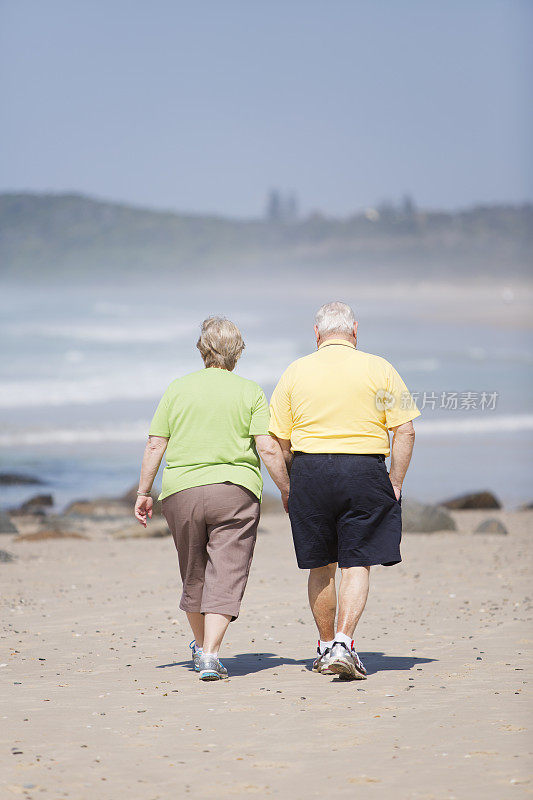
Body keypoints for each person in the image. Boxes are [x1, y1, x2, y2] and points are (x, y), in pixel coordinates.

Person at [269, 301, 420, 680]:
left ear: (317, 334)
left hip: (310, 469)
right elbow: (405, 430)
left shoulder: (295, 371)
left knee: (321, 564)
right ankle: (343, 642)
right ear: (354, 329)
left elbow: (276, 443)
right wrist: (395, 481)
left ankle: (324, 647)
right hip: (364, 468)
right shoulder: (379, 367)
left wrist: (289, 487)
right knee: (357, 561)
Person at [134, 316, 290, 681]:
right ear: (238, 352)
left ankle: (202, 647)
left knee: (194, 573)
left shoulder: (177, 388)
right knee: (228, 571)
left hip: (182, 492)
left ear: (202, 350)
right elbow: (266, 447)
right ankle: (210, 653)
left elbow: (157, 442)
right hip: (234, 492)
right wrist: (286, 488)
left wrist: (144, 492)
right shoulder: (250, 390)